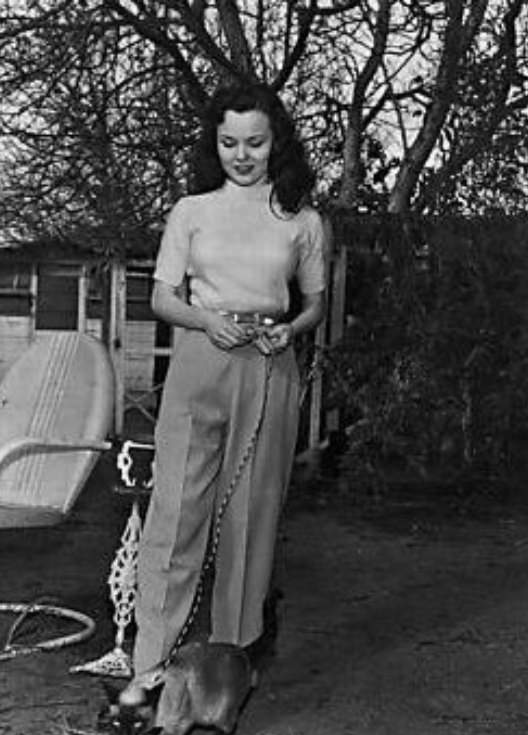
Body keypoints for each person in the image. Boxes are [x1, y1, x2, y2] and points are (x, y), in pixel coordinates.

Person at [132, 81, 327, 676]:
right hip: (200, 355)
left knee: (251, 518)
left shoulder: (303, 220)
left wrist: (290, 329)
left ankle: (224, 673)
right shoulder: (191, 211)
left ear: (277, 143)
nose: (242, 156)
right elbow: (162, 298)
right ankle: (149, 669)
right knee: (175, 513)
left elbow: (315, 303)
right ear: (213, 145)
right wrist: (205, 320)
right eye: (229, 143)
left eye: (256, 143)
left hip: (268, 367)